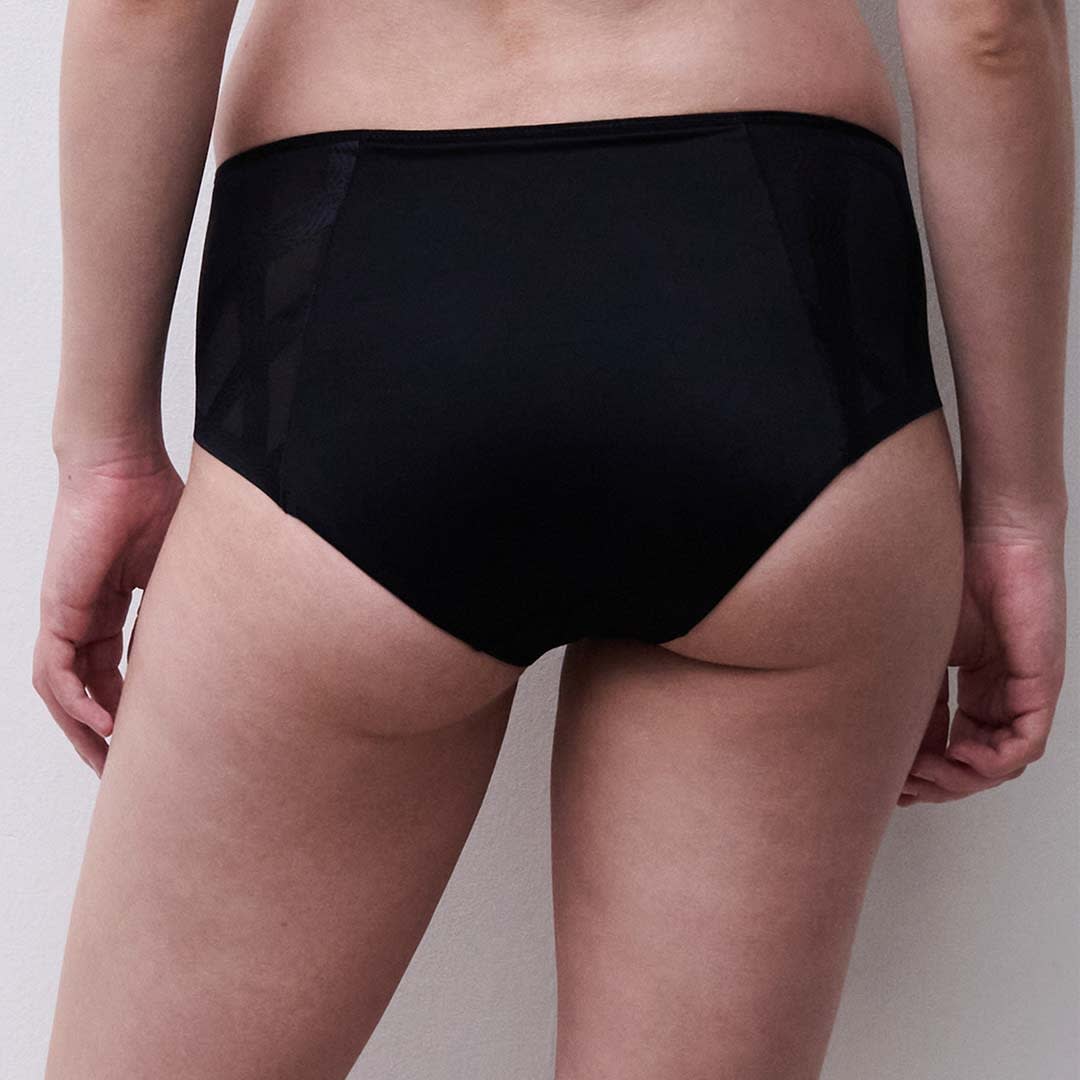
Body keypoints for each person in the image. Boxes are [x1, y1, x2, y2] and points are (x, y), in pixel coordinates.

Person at [34, 0, 1071, 1076]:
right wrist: (1014, 512)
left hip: (364, 299)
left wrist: (106, 452)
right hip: (781, 306)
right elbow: (988, 25)